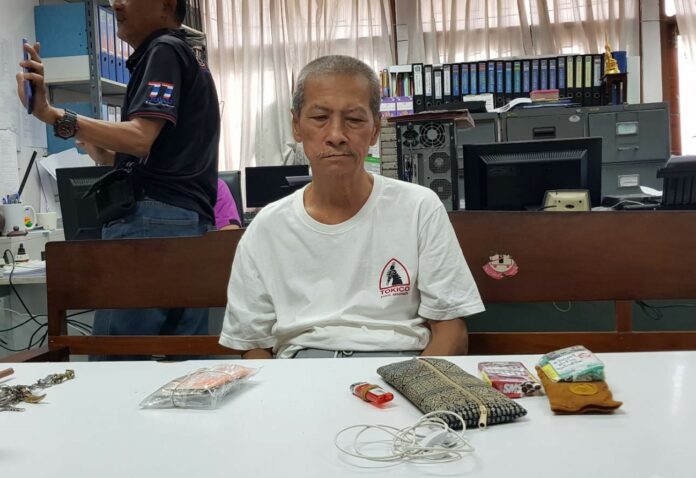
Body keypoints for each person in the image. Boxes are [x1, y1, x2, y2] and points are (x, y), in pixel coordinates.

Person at [219, 55, 484, 360]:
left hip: (401, 366)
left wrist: (420, 388)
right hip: (299, 372)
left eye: (355, 120)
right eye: (319, 118)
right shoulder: (267, 228)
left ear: (374, 130)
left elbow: (451, 327)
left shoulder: (419, 208)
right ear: (296, 126)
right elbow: (254, 344)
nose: (336, 136)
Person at [17, 0, 220, 344]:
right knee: (183, 369)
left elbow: (140, 138)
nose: (116, 4)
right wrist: (84, 135)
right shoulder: (188, 57)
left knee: (116, 359)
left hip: (152, 226)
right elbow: (136, 157)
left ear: (166, 5)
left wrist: (54, 114)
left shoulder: (164, 50)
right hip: (187, 227)